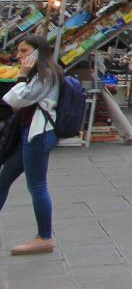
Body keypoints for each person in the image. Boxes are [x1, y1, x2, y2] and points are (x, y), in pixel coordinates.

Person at [0, 36, 64, 255]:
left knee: (36, 185)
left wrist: (21, 76)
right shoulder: (43, 73)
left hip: (38, 134)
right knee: (4, 178)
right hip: (30, 133)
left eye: (24, 51)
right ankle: (44, 236)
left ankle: (45, 237)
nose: (19, 56)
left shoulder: (46, 74)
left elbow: (17, 100)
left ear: (37, 53)